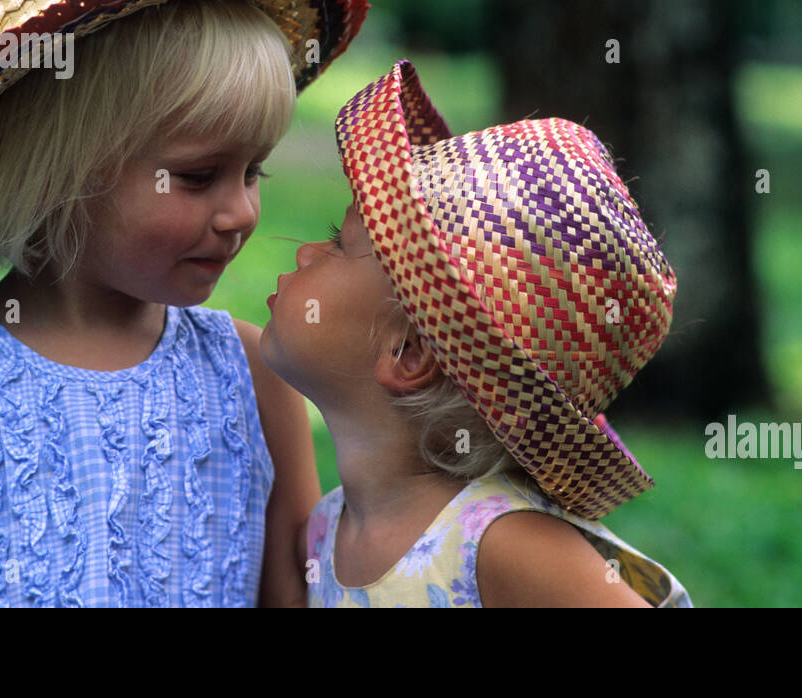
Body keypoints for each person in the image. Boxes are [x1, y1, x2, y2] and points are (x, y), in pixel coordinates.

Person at [0, 0, 371, 607]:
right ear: (52, 173)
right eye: (196, 177)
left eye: (255, 173)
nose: (242, 212)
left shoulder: (256, 375)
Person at [260, 60, 694, 607]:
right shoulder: (324, 530)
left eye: (338, 243)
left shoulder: (500, 541)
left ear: (409, 353)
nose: (305, 252)